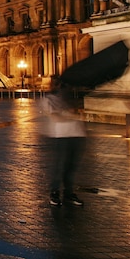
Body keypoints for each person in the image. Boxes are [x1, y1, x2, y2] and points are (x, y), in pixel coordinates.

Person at [40, 77, 86, 207]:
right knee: (59, 166)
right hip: (61, 136)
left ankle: (68, 193)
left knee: (71, 167)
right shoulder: (48, 100)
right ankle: (54, 192)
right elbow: (55, 117)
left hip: (77, 134)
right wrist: (73, 115)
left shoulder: (71, 98)